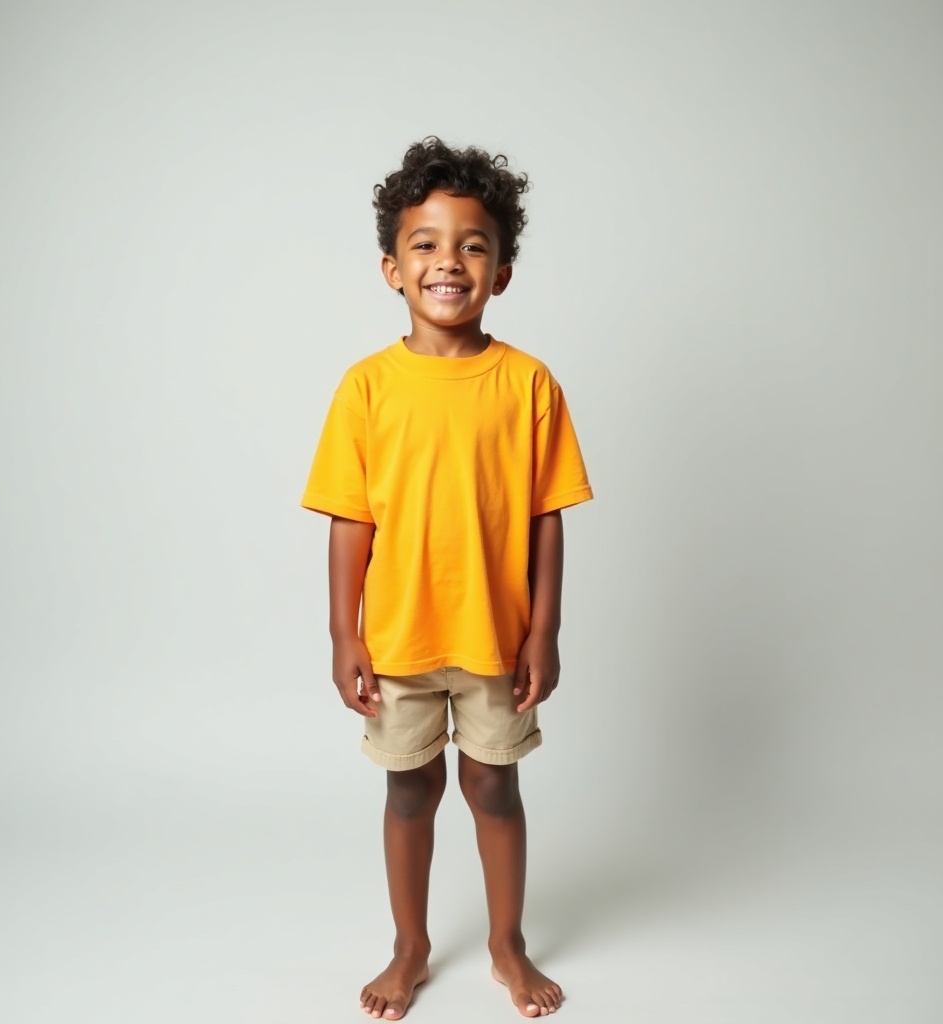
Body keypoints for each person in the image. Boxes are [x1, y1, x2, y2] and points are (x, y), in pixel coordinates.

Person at [302, 137, 593, 1019]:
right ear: (392, 267)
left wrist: (543, 629)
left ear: (500, 272)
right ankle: (411, 944)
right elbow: (352, 518)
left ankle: (507, 944)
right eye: (426, 243)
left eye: (473, 244)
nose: (449, 261)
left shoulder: (528, 384)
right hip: (400, 639)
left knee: (495, 784)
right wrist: (344, 631)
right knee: (409, 787)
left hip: (497, 639)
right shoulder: (366, 388)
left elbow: (547, 514)